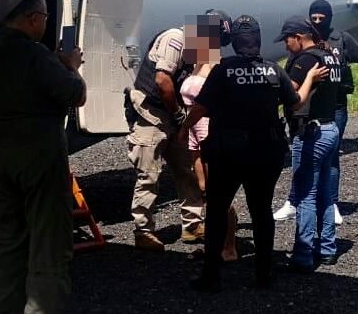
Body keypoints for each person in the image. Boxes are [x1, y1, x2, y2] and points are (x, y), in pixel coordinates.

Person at [0, 0, 90, 314]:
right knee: (49, 237)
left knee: (4, 237)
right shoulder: (36, 55)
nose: (44, 22)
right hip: (39, 152)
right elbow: (75, 95)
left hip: (0, 149)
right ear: (32, 19)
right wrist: (69, 66)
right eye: (43, 17)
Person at [181, 16, 327, 292]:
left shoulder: (222, 70)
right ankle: (263, 275)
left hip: (227, 153)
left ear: (235, 41)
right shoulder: (273, 71)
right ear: (258, 40)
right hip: (265, 152)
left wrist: (182, 130)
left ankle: (211, 277)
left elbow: (200, 108)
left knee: (216, 211)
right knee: (261, 212)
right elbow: (295, 105)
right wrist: (309, 78)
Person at [274, 0, 358, 224]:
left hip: (334, 106)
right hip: (305, 108)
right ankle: (294, 201)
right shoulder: (300, 43)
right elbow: (291, 78)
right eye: (314, 18)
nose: (318, 21)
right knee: (301, 156)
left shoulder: (340, 39)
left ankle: (330, 203)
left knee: (330, 158)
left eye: (322, 17)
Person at [127, 17, 205, 250]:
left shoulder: (195, 45)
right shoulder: (175, 38)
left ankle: (193, 225)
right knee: (149, 174)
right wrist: (181, 115)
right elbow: (162, 81)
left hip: (171, 116)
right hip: (150, 114)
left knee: (187, 170)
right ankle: (143, 231)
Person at [276, 16, 345, 270]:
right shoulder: (330, 55)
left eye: (287, 39)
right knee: (325, 193)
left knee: (305, 195)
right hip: (331, 128)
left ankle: (303, 254)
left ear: (299, 36)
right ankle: (327, 248)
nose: (285, 45)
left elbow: (290, 95)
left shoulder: (305, 60)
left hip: (311, 133)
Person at [180, 30, 238, 264]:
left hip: (206, 126)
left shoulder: (217, 66)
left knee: (218, 192)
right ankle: (213, 243)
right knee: (203, 188)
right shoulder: (196, 64)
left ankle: (230, 246)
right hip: (193, 127)